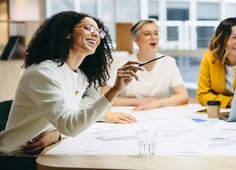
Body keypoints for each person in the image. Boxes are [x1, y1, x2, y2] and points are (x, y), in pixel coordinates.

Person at [0, 11, 141, 169]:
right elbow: (71, 126)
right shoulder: (43, 72)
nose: (95, 34)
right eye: (88, 28)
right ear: (67, 33)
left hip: (47, 150)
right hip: (17, 157)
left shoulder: (80, 75)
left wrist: (57, 134)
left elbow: (72, 117)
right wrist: (114, 90)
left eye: (99, 32)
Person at [101, 19, 188, 124]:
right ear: (136, 39)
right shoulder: (122, 63)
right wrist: (139, 102)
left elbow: (183, 96)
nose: (153, 37)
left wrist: (157, 103)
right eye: (147, 34)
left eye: (156, 33)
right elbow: (104, 97)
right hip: (130, 115)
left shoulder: (168, 61)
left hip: (160, 116)